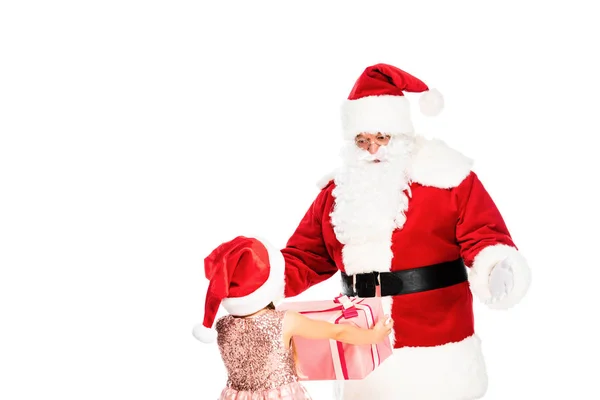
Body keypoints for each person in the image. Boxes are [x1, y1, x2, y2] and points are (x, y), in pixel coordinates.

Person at [244, 63, 532, 400]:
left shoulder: (447, 178)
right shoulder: (338, 192)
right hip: (364, 348)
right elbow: (304, 257)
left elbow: (486, 235)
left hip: (438, 347)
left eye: (382, 137)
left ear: (401, 135)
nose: (373, 148)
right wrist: (252, 280)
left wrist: (497, 267)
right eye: (362, 140)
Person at [192, 236, 394, 400]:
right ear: (270, 283)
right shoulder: (285, 321)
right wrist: (373, 337)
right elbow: (337, 331)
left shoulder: (222, 325)